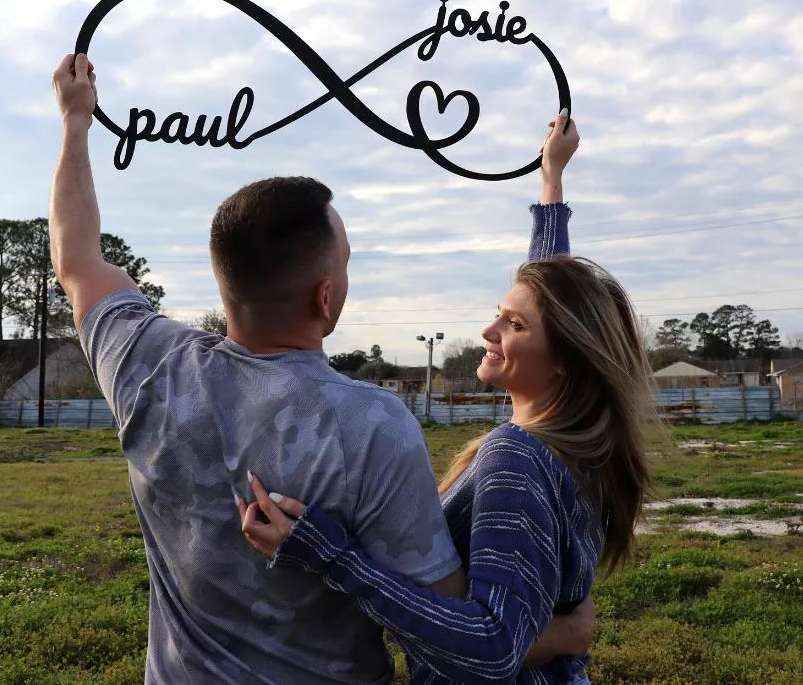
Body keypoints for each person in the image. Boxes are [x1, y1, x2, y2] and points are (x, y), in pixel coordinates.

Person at [50, 52, 590, 684]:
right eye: (347, 262)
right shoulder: (373, 427)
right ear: (325, 297)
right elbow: (454, 634)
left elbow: (76, 258)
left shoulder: (148, 363)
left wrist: (75, 121)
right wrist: (560, 633)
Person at [241, 124, 656, 684]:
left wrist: (331, 557)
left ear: (565, 358)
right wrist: (552, 178)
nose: (488, 330)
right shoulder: (583, 445)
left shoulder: (517, 457)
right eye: (499, 314)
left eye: (512, 325)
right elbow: (555, 297)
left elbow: (493, 649)